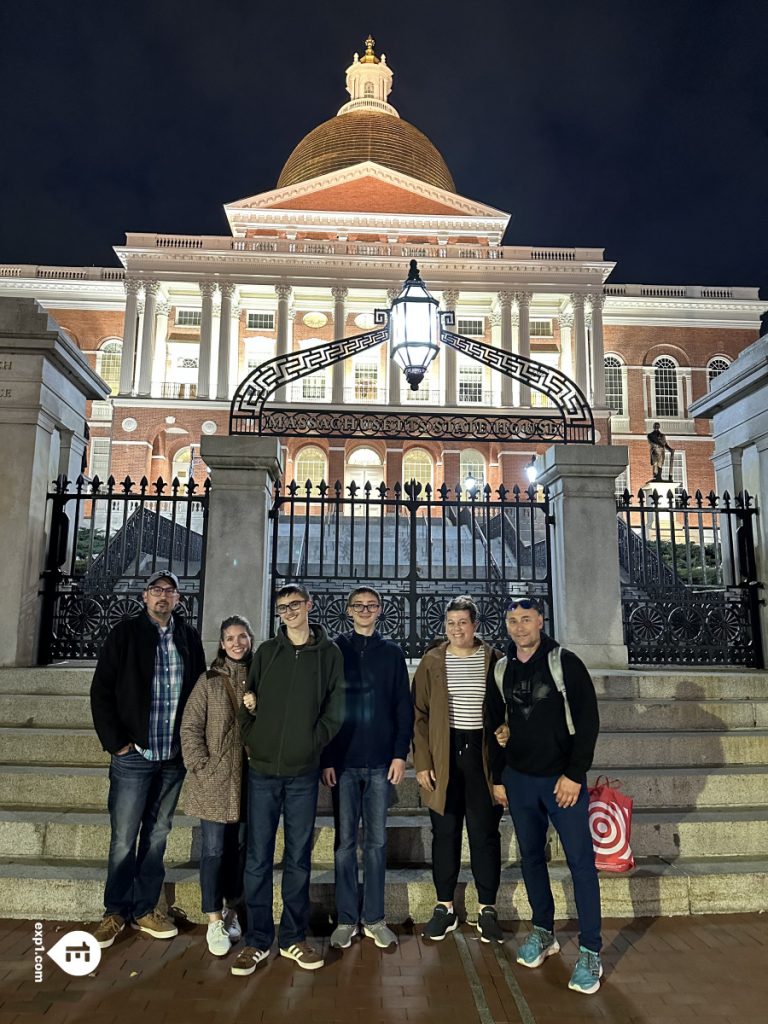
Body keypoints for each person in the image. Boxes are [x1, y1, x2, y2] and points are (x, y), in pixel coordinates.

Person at [485, 597, 602, 995]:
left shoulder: (564, 662)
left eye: (526, 619)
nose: (519, 627)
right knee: (532, 858)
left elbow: (588, 722)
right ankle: (543, 932)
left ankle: (590, 950)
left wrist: (574, 773)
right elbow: (494, 723)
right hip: (520, 780)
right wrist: (499, 776)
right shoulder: (501, 668)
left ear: (541, 621)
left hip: (561, 782)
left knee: (581, 863)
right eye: (512, 621)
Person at [231, 584, 345, 976]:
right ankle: (258, 940)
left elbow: (336, 708)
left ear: (309, 606)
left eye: (295, 605)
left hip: (302, 773)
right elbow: (249, 698)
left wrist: (311, 744)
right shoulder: (266, 652)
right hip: (263, 770)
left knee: (298, 857)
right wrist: (252, 736)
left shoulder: (329, 654)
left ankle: (294, 937)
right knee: (258, 858)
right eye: (282, 607)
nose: (289, 612)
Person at [89, 570, 206, 949]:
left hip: (172, 755)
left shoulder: (188, 637)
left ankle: (144, 909)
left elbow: (198, 693)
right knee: (124, 837)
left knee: (157, 834)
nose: (162, 597)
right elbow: (102, 690)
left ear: (177, 599)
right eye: (156, 590)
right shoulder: (124, 635)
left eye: (169, 592)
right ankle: (115, 911)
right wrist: (117, 743)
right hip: (134, 754)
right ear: (144, 596)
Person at [321, 586, 413, 951]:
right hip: (342, 763)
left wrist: (399, 754)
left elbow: (402, 707)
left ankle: (374, 918)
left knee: (375, 842)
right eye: (358, 605)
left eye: (370, 605)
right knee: (344, 845)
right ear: (348, 610)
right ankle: (346, 918)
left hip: (379, 763)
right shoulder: (335, 650)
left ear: (379, 611)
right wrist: (326, 757)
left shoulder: (391, 654)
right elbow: (325, 704)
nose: (364, 610)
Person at [412, 595, 505, 943]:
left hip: (482, 755)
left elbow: (506, 708)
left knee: (484, 834)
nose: (456, 629)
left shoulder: (494, 659)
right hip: (443, 754)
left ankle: (487, 909)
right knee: (445, 834)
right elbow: (419, 716)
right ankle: (444, 907)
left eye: (462, 623)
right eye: (450, 623)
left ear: (475, 625)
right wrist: (422, 763)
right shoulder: (433, 661)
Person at [180, 615, 254, 957]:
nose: (236, 643)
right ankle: (213, 917)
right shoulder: (208, 681)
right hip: (214, 781)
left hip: (250, 780)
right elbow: (191, 727)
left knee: (239, 850)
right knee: (213, 850)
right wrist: (201, 765)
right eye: (230, 638)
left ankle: (232, 909)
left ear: (251, 639)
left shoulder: (259, 677)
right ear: (221, 644)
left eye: (242, 636)